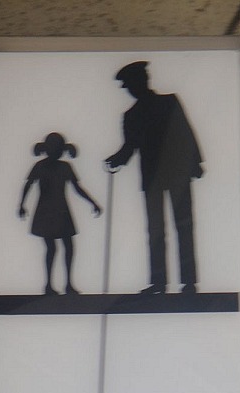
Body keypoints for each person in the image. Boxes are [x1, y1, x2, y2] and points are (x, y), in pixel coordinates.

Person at [105, 61, 204, 294]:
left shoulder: (163, 104)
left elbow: (184, 132)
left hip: (168, 175)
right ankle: (167, 282)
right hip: (162, 177)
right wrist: (116, 159)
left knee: (175, 228)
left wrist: (195, 162)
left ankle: (182, 282)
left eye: (131, 84)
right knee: (164, 230)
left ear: (143, 81)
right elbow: (130, 147)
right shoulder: (135, 114)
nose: (130, 89)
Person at [19, 132, 102, 295]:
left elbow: (77, 189)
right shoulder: (43, 167)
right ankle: (50, 285)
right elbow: (28, 185)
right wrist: (21, 205)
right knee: (54, 248)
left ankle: (67, 284)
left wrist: (93, 202)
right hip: (48, 211)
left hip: (60, 211)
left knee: (66, 247)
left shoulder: (64, 167)